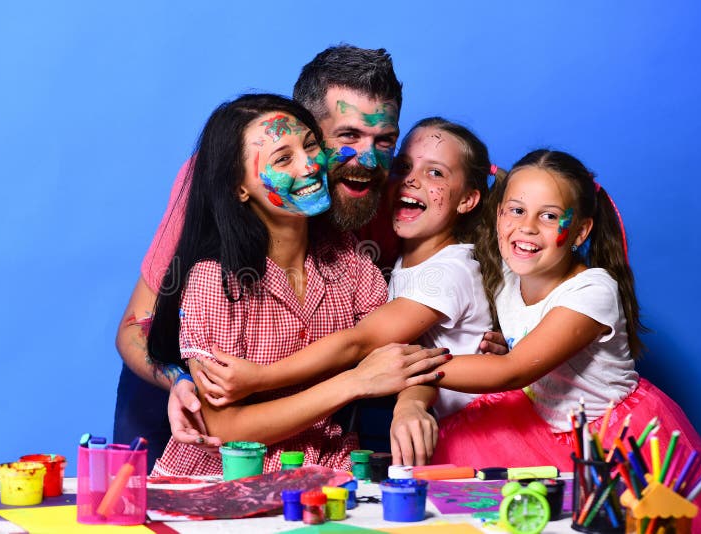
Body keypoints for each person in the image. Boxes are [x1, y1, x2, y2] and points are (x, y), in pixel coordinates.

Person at [144, 93, 445, 475]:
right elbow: (221, 425)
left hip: (328, 473)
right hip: (224, 478)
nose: (309, 165)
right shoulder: (214, 280)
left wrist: (411, 404)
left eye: (310, 146)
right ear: (240, 188)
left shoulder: (349, 258)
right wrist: (354, 383)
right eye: (283, 159)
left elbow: (407, 355)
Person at [194, 117, 499, 464]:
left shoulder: (434, 268)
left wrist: (261, 378)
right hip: (240, 460)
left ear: (468, 200)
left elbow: (367, 343)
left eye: (436, 173)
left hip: (463, 435)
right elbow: (409, 354)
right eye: (403, 166)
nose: (411, 179)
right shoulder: (212, 278)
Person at [388, 149, 701, 478]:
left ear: (580, 232)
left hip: (609, 439)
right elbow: (519, 354)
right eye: (517, 210)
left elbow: (513, 371)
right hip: (546, 426)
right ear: (498, 215)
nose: (527, 227)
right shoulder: (506, 279)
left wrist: (407, 367)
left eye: (549, 216)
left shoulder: (592, 290)